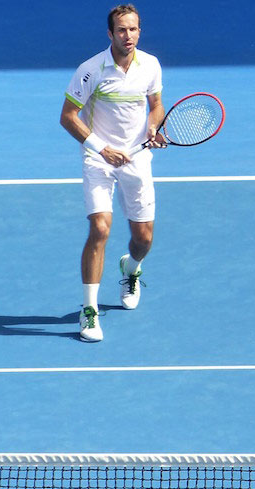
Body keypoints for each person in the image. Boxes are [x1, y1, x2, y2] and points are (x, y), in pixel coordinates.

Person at [59, 4, 165, 342]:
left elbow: (156, 105)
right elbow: (68, 117)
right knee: (100, 228)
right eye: (122, 30)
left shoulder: (150, 65)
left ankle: (130, 268)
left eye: (133, 29)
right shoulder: (90, 70)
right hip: (99, 159)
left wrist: (152, 128)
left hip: (136, 159)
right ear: (110, 34)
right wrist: (102, 148)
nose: (128, 36)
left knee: (144, 239)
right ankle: (89, 311)